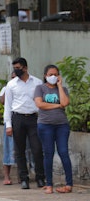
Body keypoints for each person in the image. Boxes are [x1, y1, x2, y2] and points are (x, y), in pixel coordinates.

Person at [4, 57, 45, 189]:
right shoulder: (11, 84)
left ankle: (40, 177)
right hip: (18, 118)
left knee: (37, 149)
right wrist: (8, 125)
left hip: (34, 118)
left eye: (18, 68)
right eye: (14, 67)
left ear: (25, 68)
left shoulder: (37, 82)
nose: (16, 70)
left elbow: (41, 103)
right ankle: (24, 179)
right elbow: (8, 106)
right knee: (19, 150)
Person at [34, 65, 72, 194]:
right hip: (45, 125)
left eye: (56, 74)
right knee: (48, 154)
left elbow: (65, 102)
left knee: (63, 152)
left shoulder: (63, 89)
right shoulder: (40, 88)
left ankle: (69, 184)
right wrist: (57, 105)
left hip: (62, 125)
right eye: (50, 74)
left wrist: (60, 86)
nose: (53, 77)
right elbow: (40, 104)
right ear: (45, 76)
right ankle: (49, 184)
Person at [0, 72, 16, 185]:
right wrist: (8, 88)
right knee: (8, 148)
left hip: (21, 119)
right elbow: (1, 101)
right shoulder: (7, 88)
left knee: (22, 149)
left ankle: (22, 175)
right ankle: (6, 176)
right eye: (12, 78)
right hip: (9, 120)